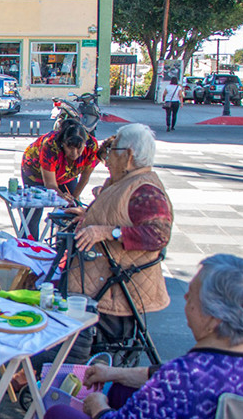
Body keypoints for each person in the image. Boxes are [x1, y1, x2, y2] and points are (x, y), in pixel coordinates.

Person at [32, 254, 243, 419]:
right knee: (119, 391)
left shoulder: (185, 376)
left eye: (191, 296)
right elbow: (169, 377)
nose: (184, 298)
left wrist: (98, 407)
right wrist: (114, 374)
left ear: (213, 317)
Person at [68, 123, 173, 360]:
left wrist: (107, 232)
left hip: (113, 290)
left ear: (128, 155)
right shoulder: (128, 182)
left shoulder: (145, 189)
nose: (107, 159)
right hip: (97, 278)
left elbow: (159, 235)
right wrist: (87, 218)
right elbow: (116, 213)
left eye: (113, 150)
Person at [20, 118, 100, 237]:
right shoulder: (50, 145)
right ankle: (27, 247)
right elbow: (50, 184)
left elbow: (85, 177)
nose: (74, 153)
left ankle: (65, 246)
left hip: (67, 174)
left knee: (72, 209)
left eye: (79, 148)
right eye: (70, 148)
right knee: (33, 211)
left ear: (85, 143)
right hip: (35, 173)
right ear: (63, 143)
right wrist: (61, 195)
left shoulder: (92, 146)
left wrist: (74, 198)